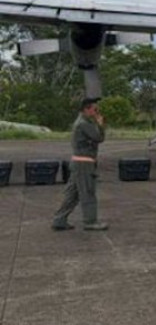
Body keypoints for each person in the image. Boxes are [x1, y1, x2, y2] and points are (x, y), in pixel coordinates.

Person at [52, 98, 108, 231]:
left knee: (73, 194)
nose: (97, 112)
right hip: (84, 164)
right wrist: (100, 124)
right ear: (86, 109)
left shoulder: (83, 122)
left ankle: (59, 219)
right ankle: (90, 221)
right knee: (88, 192)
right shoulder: (84, 123)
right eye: (95, 109)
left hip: (79, 163)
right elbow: (98, 138)